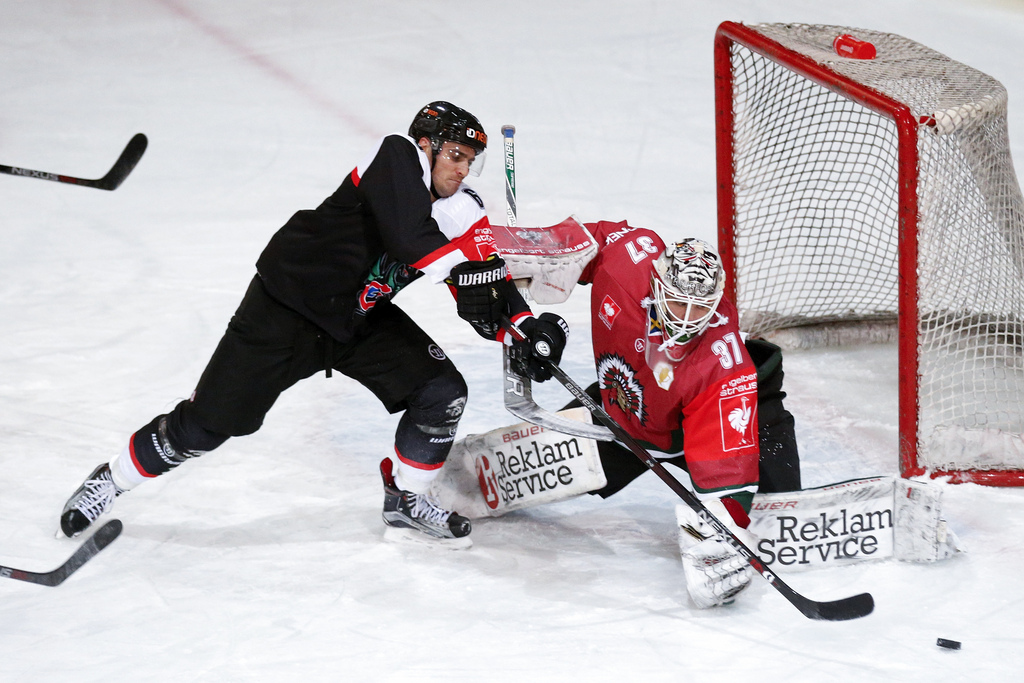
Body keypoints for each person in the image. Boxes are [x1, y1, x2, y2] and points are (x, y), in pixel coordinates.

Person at [58, 101, 568, 545]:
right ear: (427, 145)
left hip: (357, 320)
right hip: (285, 311)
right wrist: (472, 266)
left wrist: (524, 328)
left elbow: (481, 294)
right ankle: (113, 479)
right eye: (454, 156)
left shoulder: (461, 210)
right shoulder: (394, 155)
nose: (461, 170)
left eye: (470, 162)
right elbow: (412, 240)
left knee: (441, 391)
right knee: (206, 427)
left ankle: (406, 499)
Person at [558, 219, 801, 606]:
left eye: (700, 306)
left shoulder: (721, 362)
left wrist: (724, 532)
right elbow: (590, 241)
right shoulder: (628, 263)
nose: (687, 319)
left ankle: (764, 444)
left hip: (721, 422)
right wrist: (519, 264)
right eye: (677, 301)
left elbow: (726, 462)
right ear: (657, 283)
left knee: (781, 520)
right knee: (501, 474)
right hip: (628, 411)